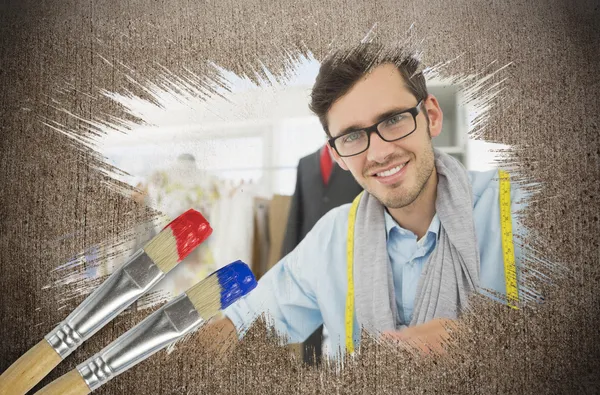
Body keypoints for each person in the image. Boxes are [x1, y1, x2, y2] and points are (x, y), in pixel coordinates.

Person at [208, 43, 528, 359]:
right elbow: (242, 323)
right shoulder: (332, 237)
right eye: (351, 136)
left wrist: (481, 341)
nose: (378, 153)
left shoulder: (520, 210)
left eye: (393, 119)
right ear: (338, 156)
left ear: (431, 116)